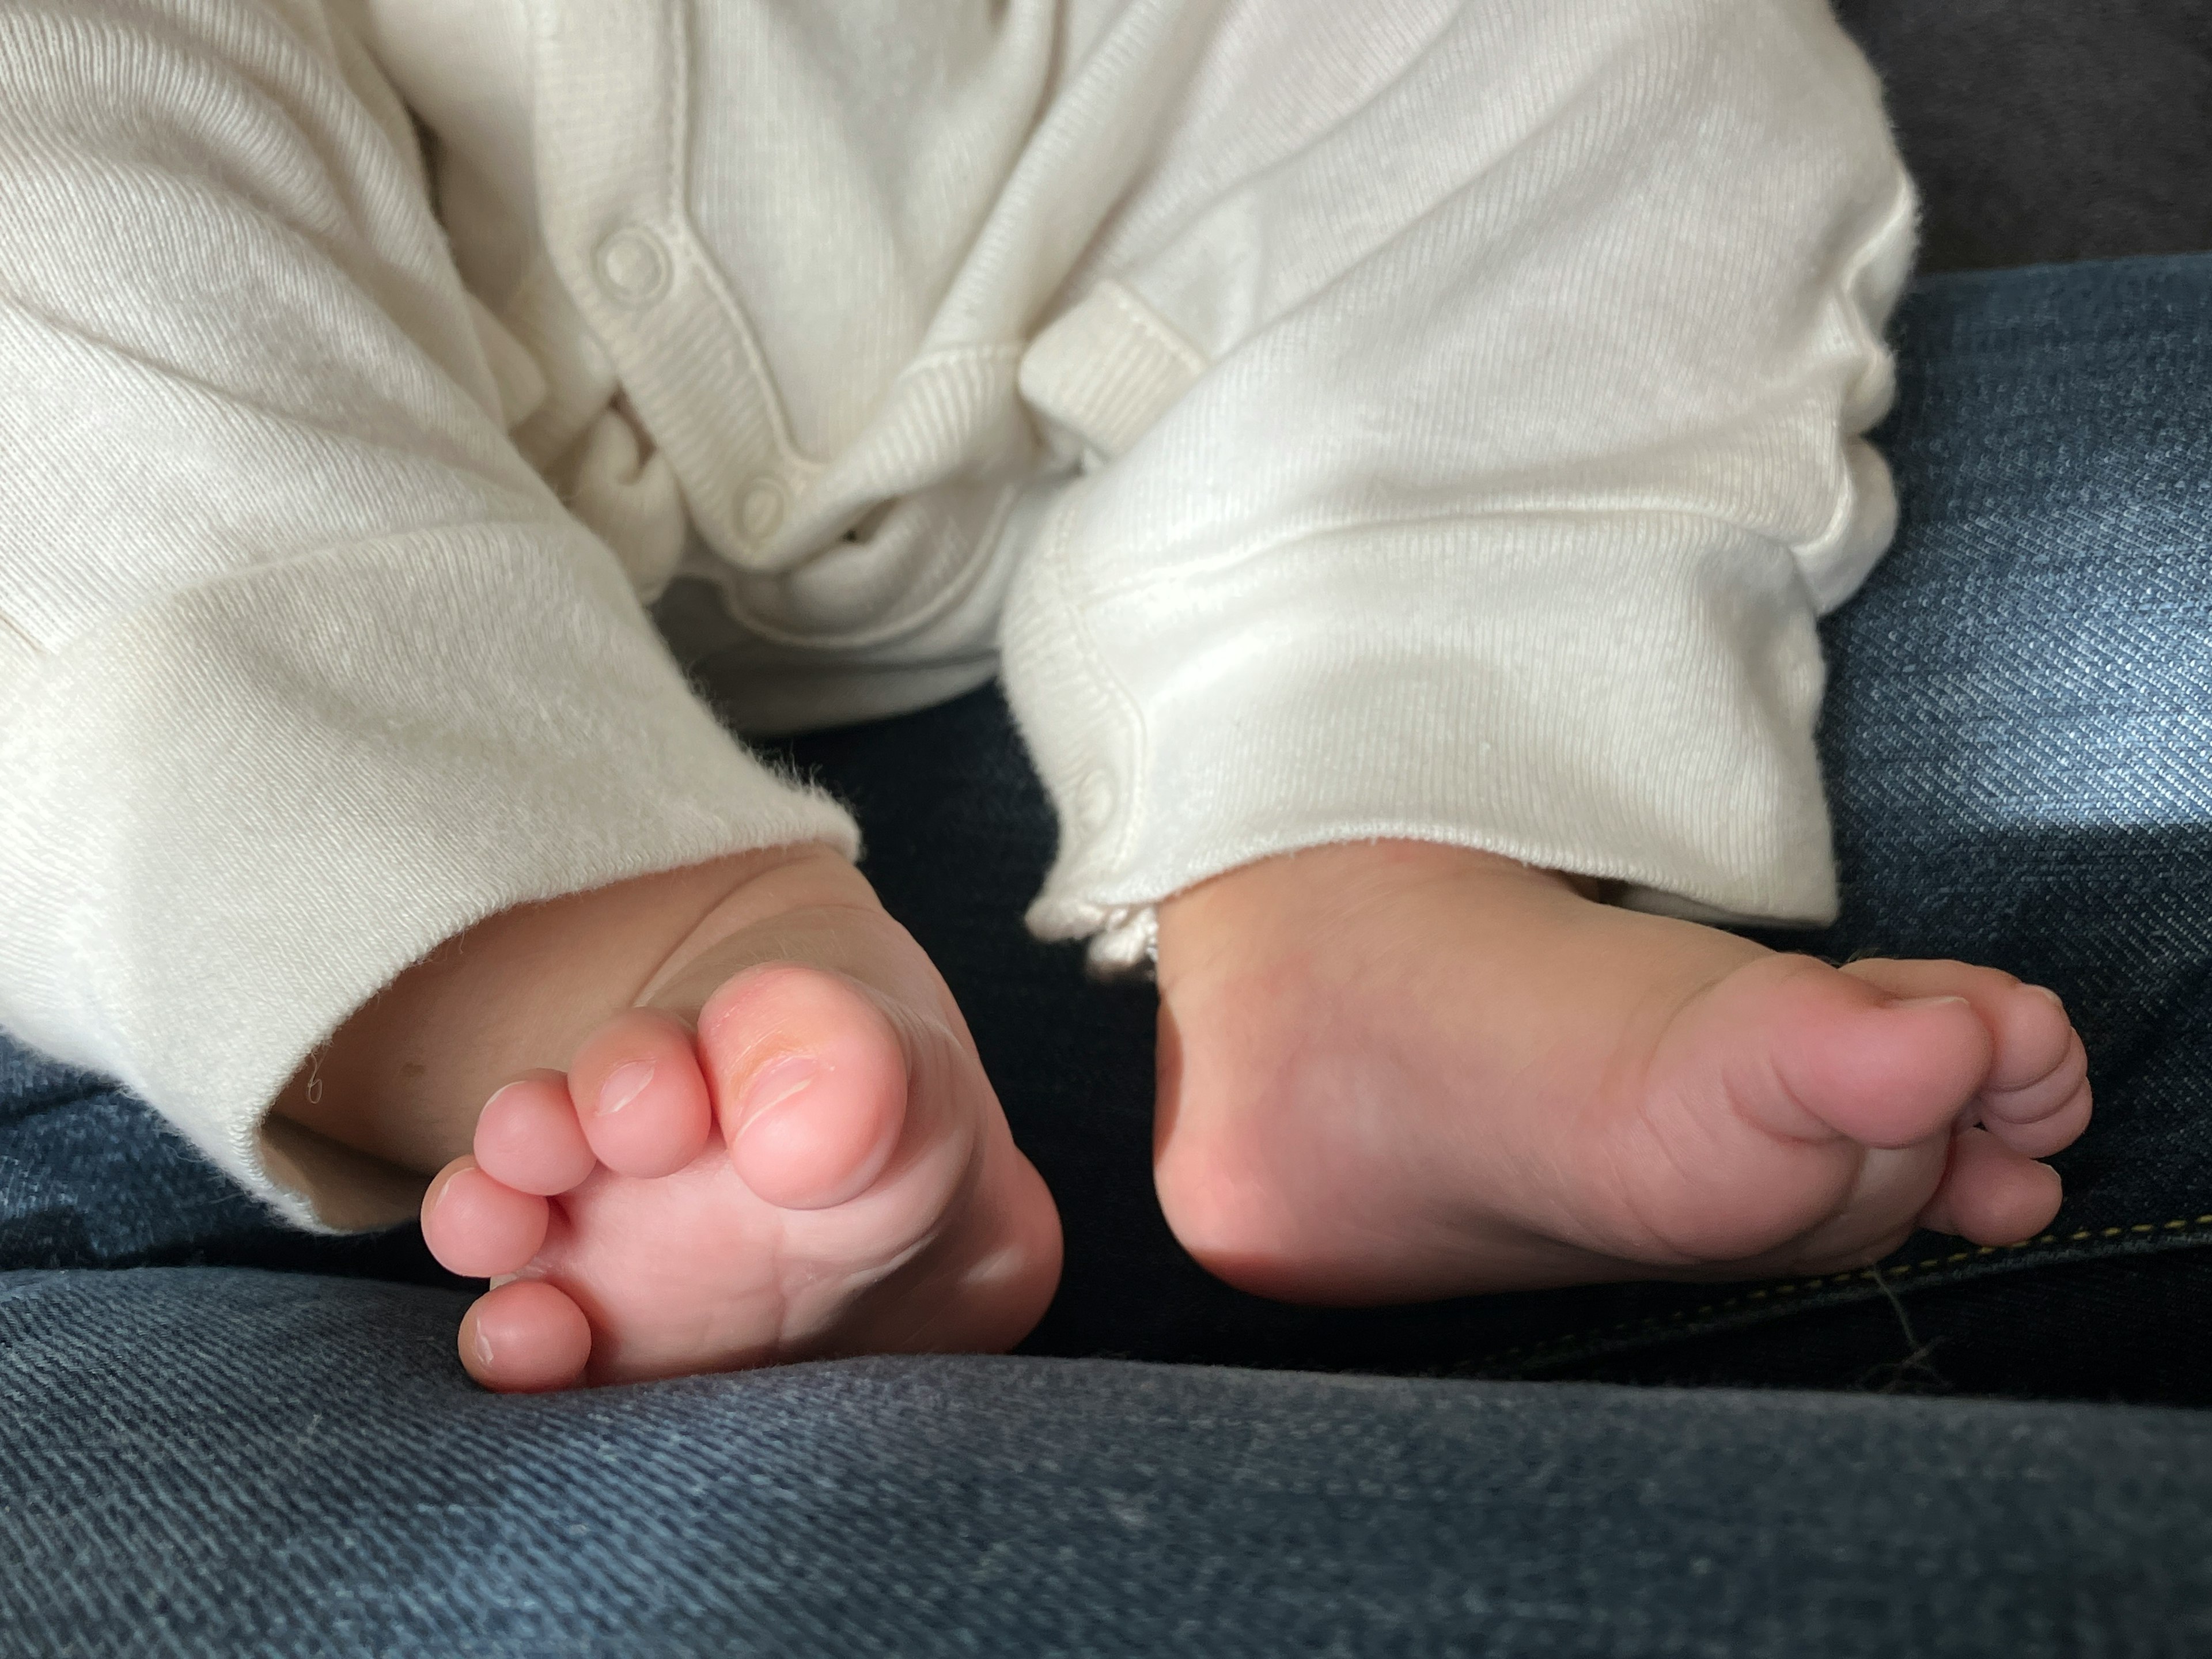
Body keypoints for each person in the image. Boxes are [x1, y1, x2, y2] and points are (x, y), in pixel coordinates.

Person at [0, 0, 2090, 1395]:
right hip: (304, 376)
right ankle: (587, 967)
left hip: (1039, 269)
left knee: (1641, 43)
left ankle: (1368, 866)